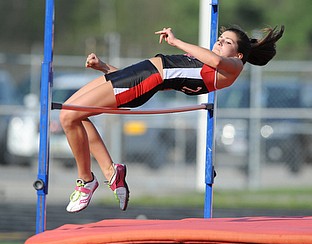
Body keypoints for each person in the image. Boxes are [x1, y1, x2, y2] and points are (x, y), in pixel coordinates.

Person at [60, 25, 284, 213]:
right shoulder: (206, 63)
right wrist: (105, 68)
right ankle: (110, 171)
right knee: (70, 114)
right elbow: (142, 84)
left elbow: (214, 61)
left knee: (70, 115)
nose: (219, 42)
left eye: (227, 42)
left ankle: (87, 181)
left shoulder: (232, 68)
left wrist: (176, 42)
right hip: (144, 74)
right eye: (220, 39)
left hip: (148, 76)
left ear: (238, 55)